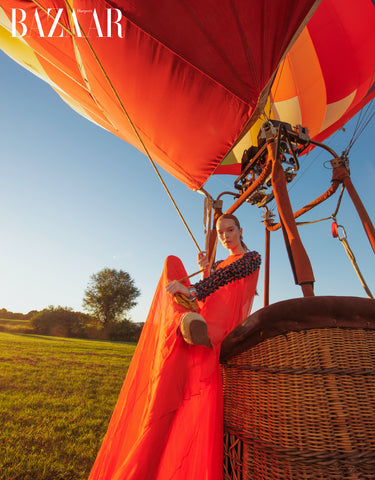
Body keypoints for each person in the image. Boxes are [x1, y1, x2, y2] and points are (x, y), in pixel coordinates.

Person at [88, 214, 260, 480]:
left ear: (240, 230)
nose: (226, 236)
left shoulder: (250, 259)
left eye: (230, 230)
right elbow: (214, 284)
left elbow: (226, 279)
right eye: (221, 232)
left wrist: (193, 289)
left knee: (190, 293)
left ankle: (188, 321)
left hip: (220, 326)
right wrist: (205, 270)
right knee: (172, 262)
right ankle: (184, 320)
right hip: (203, 315)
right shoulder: (219, 264)